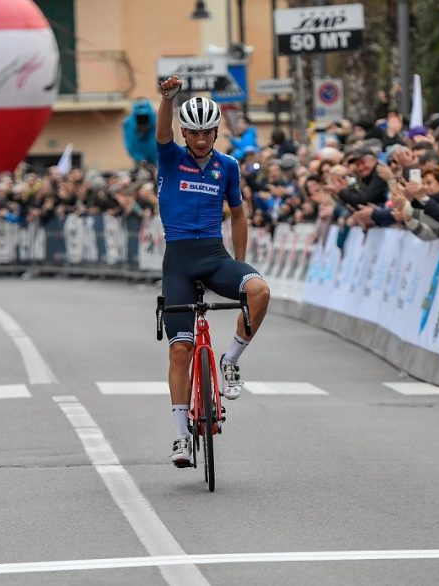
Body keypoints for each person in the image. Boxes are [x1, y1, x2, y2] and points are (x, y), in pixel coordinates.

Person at [155, 75, 271, 468]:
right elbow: (161, 130)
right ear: (185, 132)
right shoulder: (172, 158)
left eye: (208, 132)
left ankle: (231, 358)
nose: (202, 139)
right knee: (181, 350)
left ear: (216, 131)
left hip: (215, 255)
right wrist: (168, 99)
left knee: (259, 291)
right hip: (179, 261)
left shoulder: (228, 166)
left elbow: (238, 215)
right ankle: (180, 438)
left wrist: (239, 264)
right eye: (195, 132)